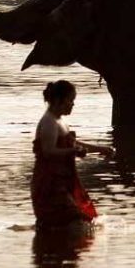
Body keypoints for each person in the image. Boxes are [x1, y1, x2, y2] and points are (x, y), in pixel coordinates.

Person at [31, 80, 113, 229]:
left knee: (79, 223)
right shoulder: (49, 122)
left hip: (63, 180)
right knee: (73, 221)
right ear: (57, 100)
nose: (72, 104)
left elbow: (73, 144)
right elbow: (48, 151)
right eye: (70, 100)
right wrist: (74, 151)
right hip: (50, 183)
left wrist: (101, 149)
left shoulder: (60, 121)